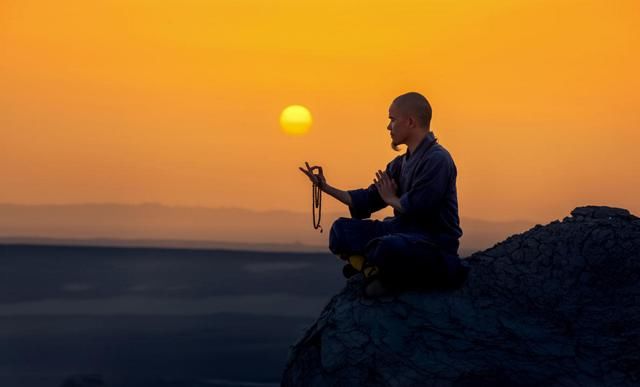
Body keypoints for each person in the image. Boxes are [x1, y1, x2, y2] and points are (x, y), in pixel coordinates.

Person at [299, 92, 469, 297]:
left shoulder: (438, 160)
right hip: (402, 230)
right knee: (341, 230)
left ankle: (376, 269)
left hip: (432, 241)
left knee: (388, 247)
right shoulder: (400, 164)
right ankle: (372, 269)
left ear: (410, 122)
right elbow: (369, 199)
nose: (389, 127)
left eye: (392, 119)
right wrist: (326, 188)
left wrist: (391, 199)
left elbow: (421, 208)